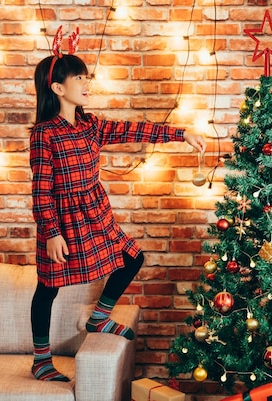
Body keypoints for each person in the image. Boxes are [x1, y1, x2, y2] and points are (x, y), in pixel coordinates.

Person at [29, 47, 206, 382]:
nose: (86, 82)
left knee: (133, 258)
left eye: (86, 76)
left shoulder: (90, 126)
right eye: (78, 77)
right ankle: (41, 360)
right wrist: (51, 231)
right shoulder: (45, 133)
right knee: (48, 287)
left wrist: (181, 134)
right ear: (57, 88)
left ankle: (100, 317)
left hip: (95, 211)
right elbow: (41, 189)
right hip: (62, 219)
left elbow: (134, 130)